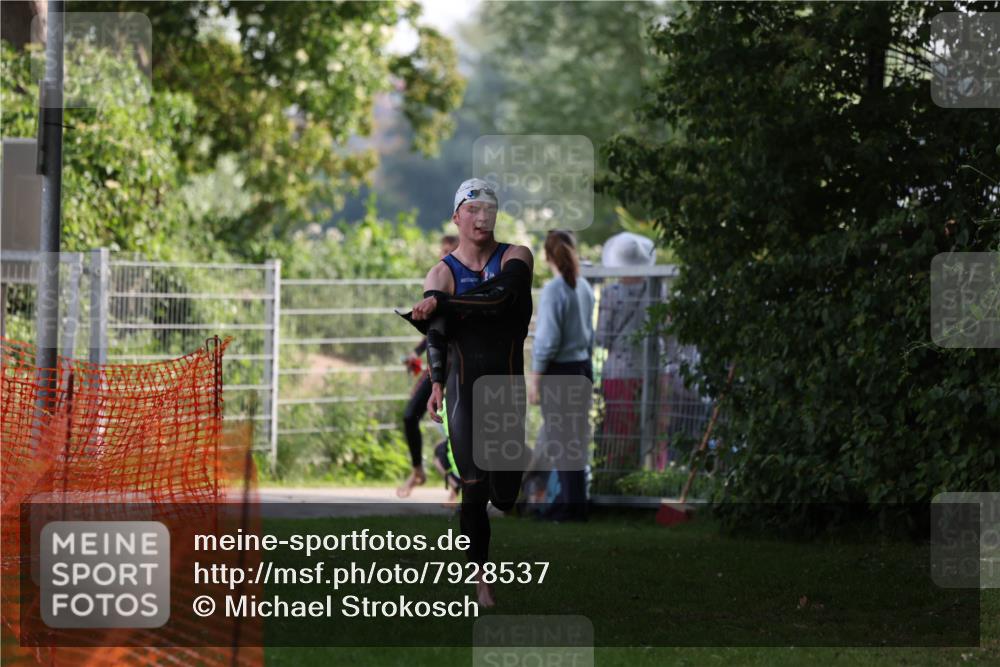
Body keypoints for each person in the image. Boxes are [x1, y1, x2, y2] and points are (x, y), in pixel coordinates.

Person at [398, 178, 534, 608]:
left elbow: (502, 300)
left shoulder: (516, 256)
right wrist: (437, 382)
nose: (482, 216)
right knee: (473, 486)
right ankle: (481, 582)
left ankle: (507, 481)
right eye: (473, 209)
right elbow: (436, 334)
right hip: (463, 390)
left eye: (489, 208)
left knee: (505, 497)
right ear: (457, 216)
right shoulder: (441, 273)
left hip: (506, 386)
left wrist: (444, 303)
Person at [527, 230, 594, 521]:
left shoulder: (555, 289)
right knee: (574, 441)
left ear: (547, 256)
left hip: (560, 372)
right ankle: (575, 504)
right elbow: (589, 334)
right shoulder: (584, 286)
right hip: (582, 368)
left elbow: (547, 341)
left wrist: (535, 378)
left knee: (561, 441)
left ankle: (569, 507)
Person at [397, 235, 459, 498]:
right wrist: (416, 353)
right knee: (410, 415)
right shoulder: (437, 283)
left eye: (450, 251)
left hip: (458, 365)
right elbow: (435, 330)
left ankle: (457, 484)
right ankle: (418, 471)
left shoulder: (462, 285)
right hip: (439, 365)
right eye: (442, 251)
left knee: (457, 426)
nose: (444, 256)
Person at [594, 232, 657, 471]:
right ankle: (652, 474)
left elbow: (602, 337)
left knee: (619, 431)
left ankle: (617, 475)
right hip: (653, 370)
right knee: (652, 431)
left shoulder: (611, 293)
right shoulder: (657, 290)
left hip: (618, 372)